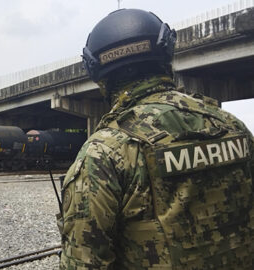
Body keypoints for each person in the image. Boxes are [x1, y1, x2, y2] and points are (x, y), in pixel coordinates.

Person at [58, 8, 253, 269]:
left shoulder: (106, 151)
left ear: (99, 75)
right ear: (166, 56)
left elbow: (83, 262)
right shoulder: (231, 126)